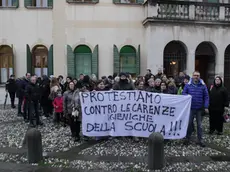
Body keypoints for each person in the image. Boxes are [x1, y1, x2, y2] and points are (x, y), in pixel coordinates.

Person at [182, 71, 209, 147]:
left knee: (199, 125)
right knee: (189, 124)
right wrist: (188, 96)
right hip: (190, 108)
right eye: (195, 75)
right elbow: (183, 93)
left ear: (199, 76)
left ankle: (200, 140)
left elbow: (206, 97)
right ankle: (187, 138)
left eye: (198, 75)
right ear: (192, 76)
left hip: (199, 109)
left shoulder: (203, 86)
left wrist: (206, 106)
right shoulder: (188, 85)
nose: (196, 77)